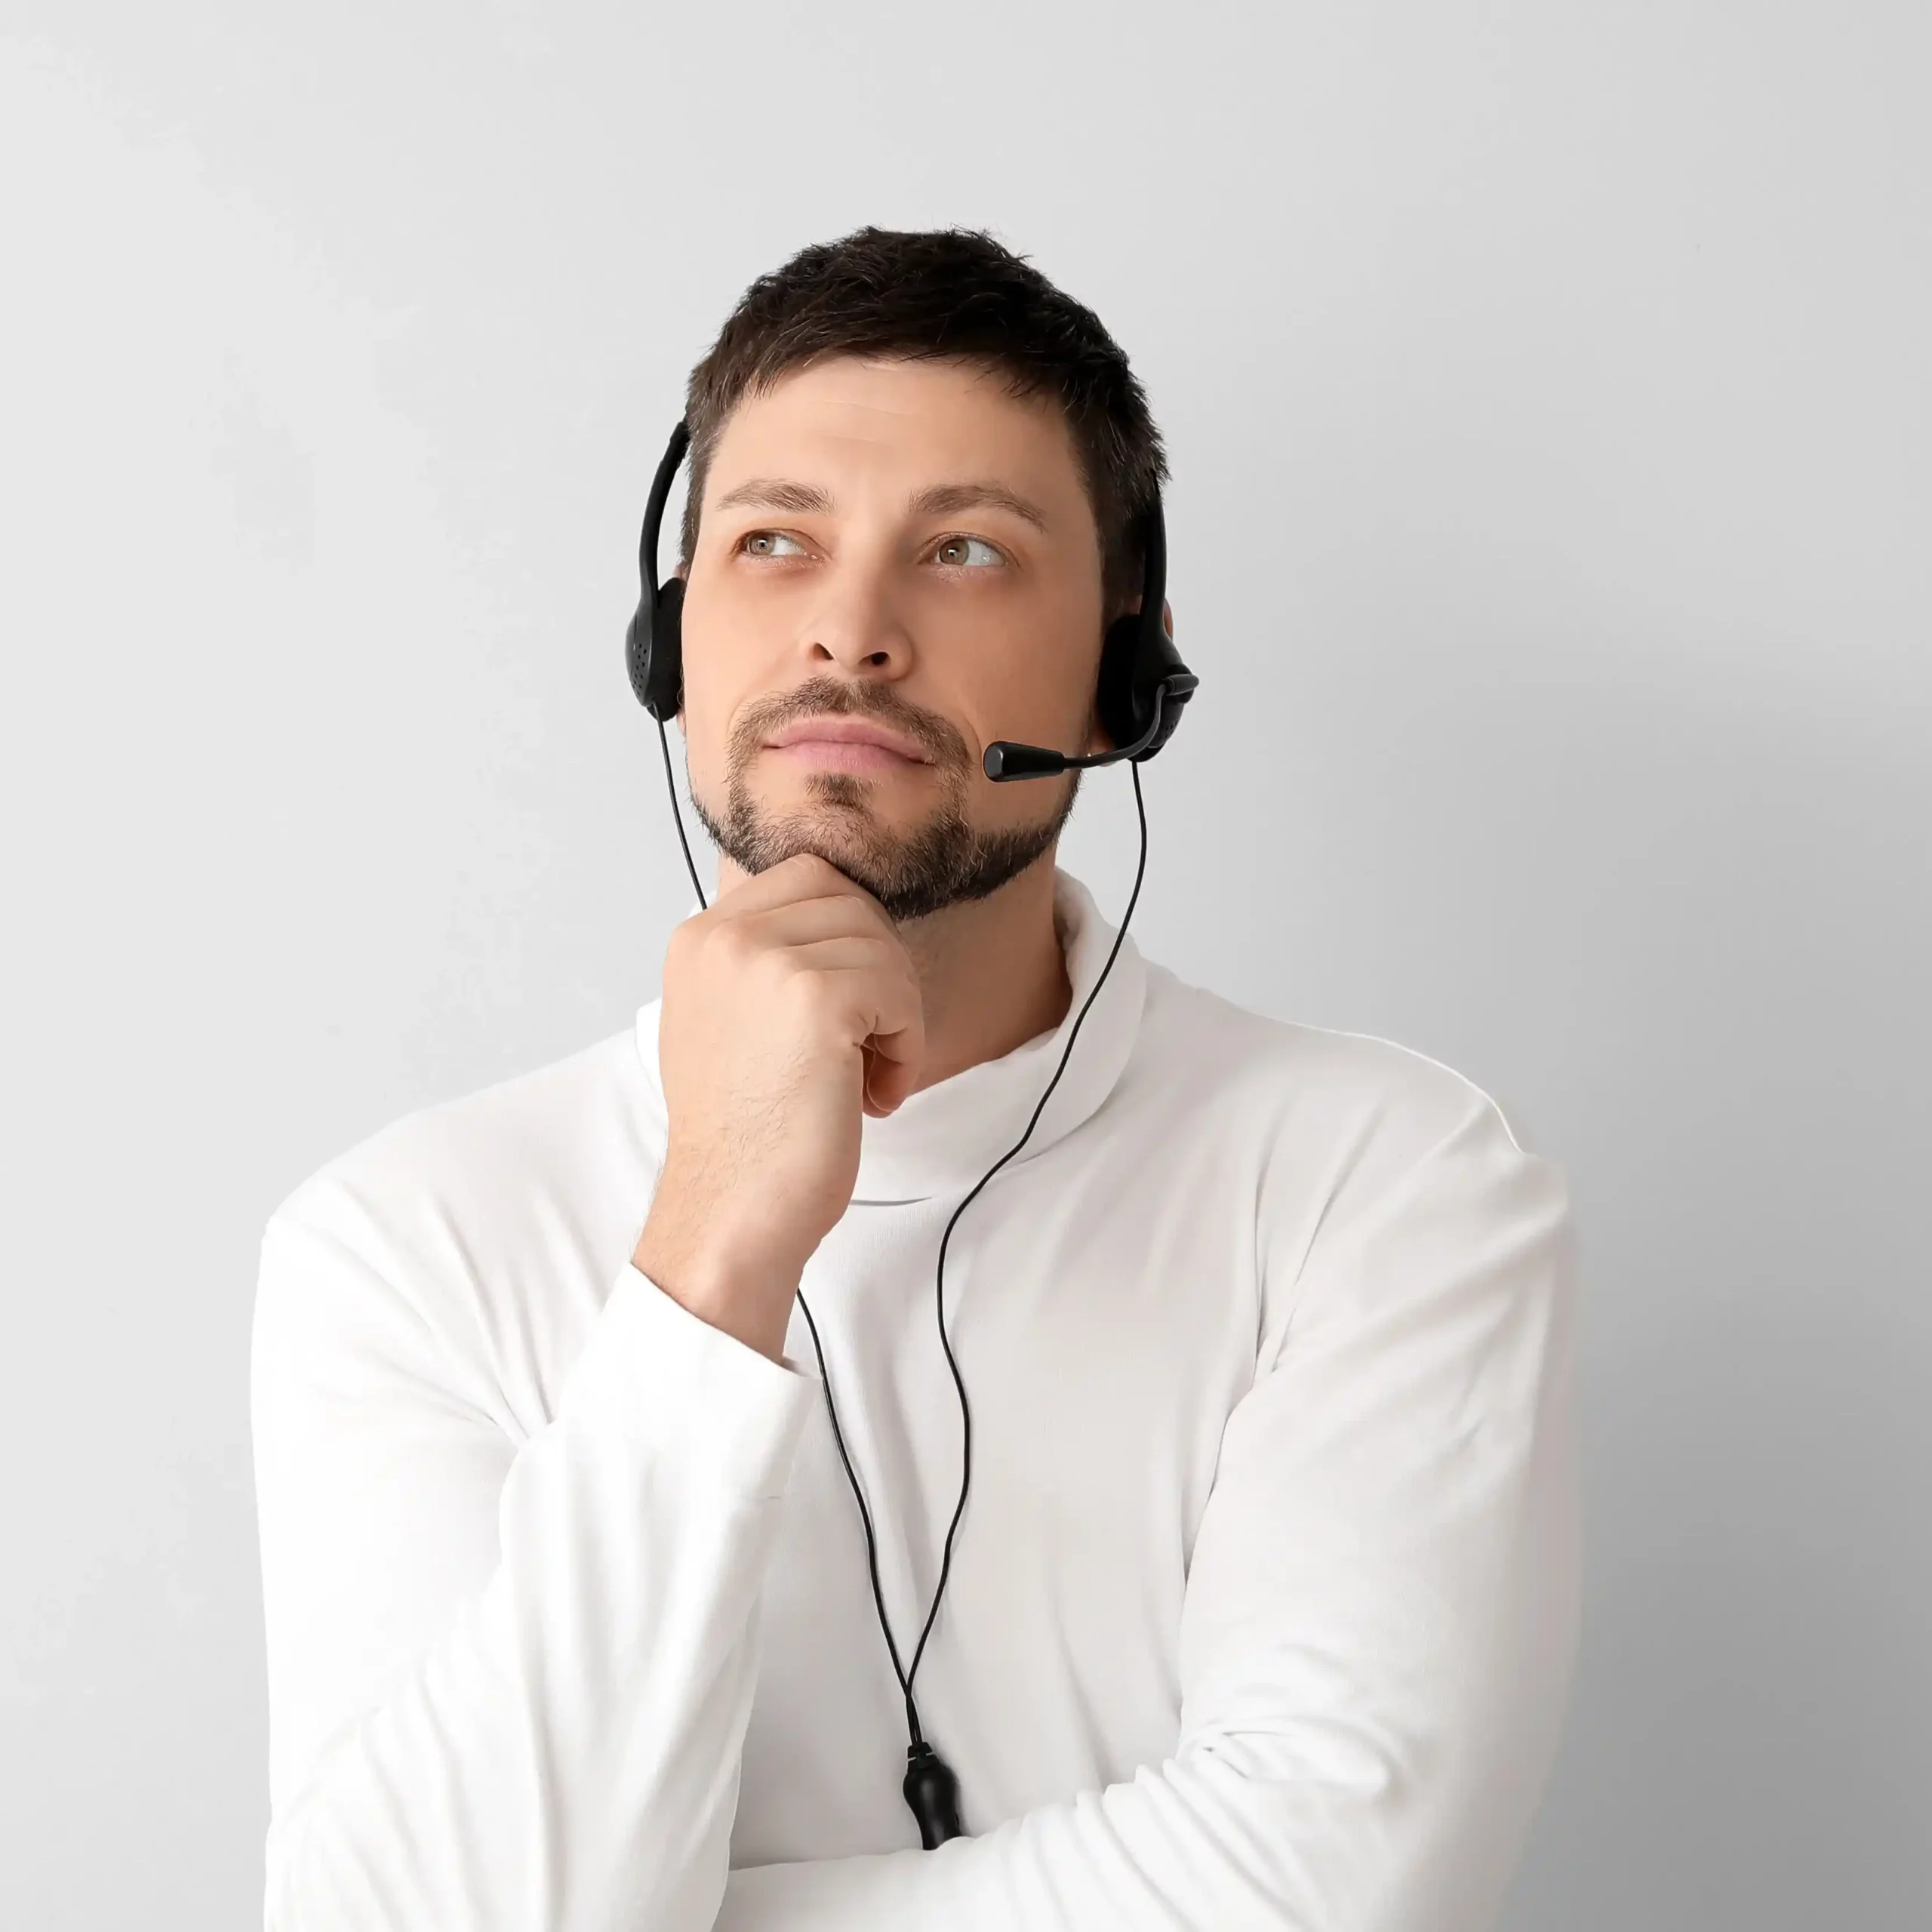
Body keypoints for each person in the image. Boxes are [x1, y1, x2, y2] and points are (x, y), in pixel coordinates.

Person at [250, 225, 1582, 1932]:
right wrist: (715, 1239)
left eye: (959, 549)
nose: (847, 633)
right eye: (771, 542)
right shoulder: (404, 1240)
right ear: (673, 643)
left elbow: (1324, 1886)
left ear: (1122, 675)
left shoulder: (1381, 1182)